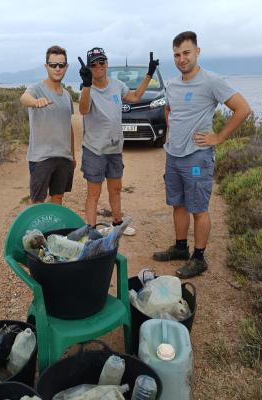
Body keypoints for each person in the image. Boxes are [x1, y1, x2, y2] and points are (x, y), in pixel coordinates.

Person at [153, 31, 251, 278]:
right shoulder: (172, 84)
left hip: (198, 156)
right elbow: (169, 110)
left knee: (198, 208)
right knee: (178, 204)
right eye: (177, 54)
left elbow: (243, 109)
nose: (181, 59)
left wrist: (217, 137)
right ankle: (180, 247)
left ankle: (199, 258)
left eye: (186, 53)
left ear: (197, 52)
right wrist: (172, 135)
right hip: (173, 155)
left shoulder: (212, 81)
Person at [78, 47, 159, 235]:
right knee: (94, 194)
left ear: (106, 63)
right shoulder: (86, 88)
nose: (98, 66)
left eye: (101, 62)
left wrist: (149, 74)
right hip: (95, 149)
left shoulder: (116, 84)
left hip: (114, 148)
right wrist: (87, 85)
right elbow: (83, 110)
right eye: (94, 64)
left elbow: (135, 96)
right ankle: (90, 230)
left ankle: (117, 224)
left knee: (116, 189)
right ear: (89, 68)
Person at [20, 45, 76, 205]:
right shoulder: (37, 88)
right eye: (53, 65)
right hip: (41, 157)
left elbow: (68, 126)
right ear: (46, 67)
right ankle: (36, 230)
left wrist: (73, 155)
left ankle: (54, 230)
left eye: (61, 65)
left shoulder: (67, 95)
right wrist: (35, 102)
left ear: (66, 67)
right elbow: (24, 98)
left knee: (58, 198)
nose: (57, 69)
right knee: (38, 201)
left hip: (64, 157)